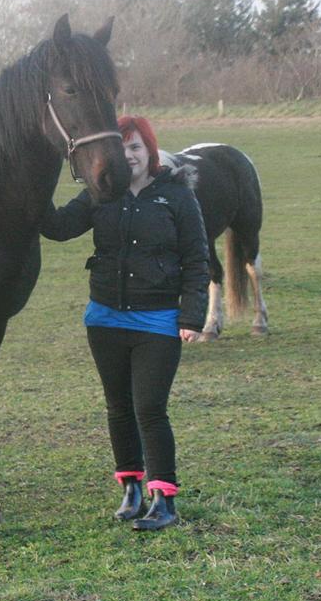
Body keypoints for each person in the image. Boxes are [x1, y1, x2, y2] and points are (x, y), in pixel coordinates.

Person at [41, 115, 209, 531]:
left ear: (150, 151)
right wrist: (35, 187)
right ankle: (131, 488)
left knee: (149, 408)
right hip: (105, 319)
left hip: (158, 322)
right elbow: (59, 228)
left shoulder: (177, 197)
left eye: (136, 147)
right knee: (118, 407)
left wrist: (191, 316)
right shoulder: (101, 194)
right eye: (122, 147)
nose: (129, 155)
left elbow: (196, 258)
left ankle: (164, 498)